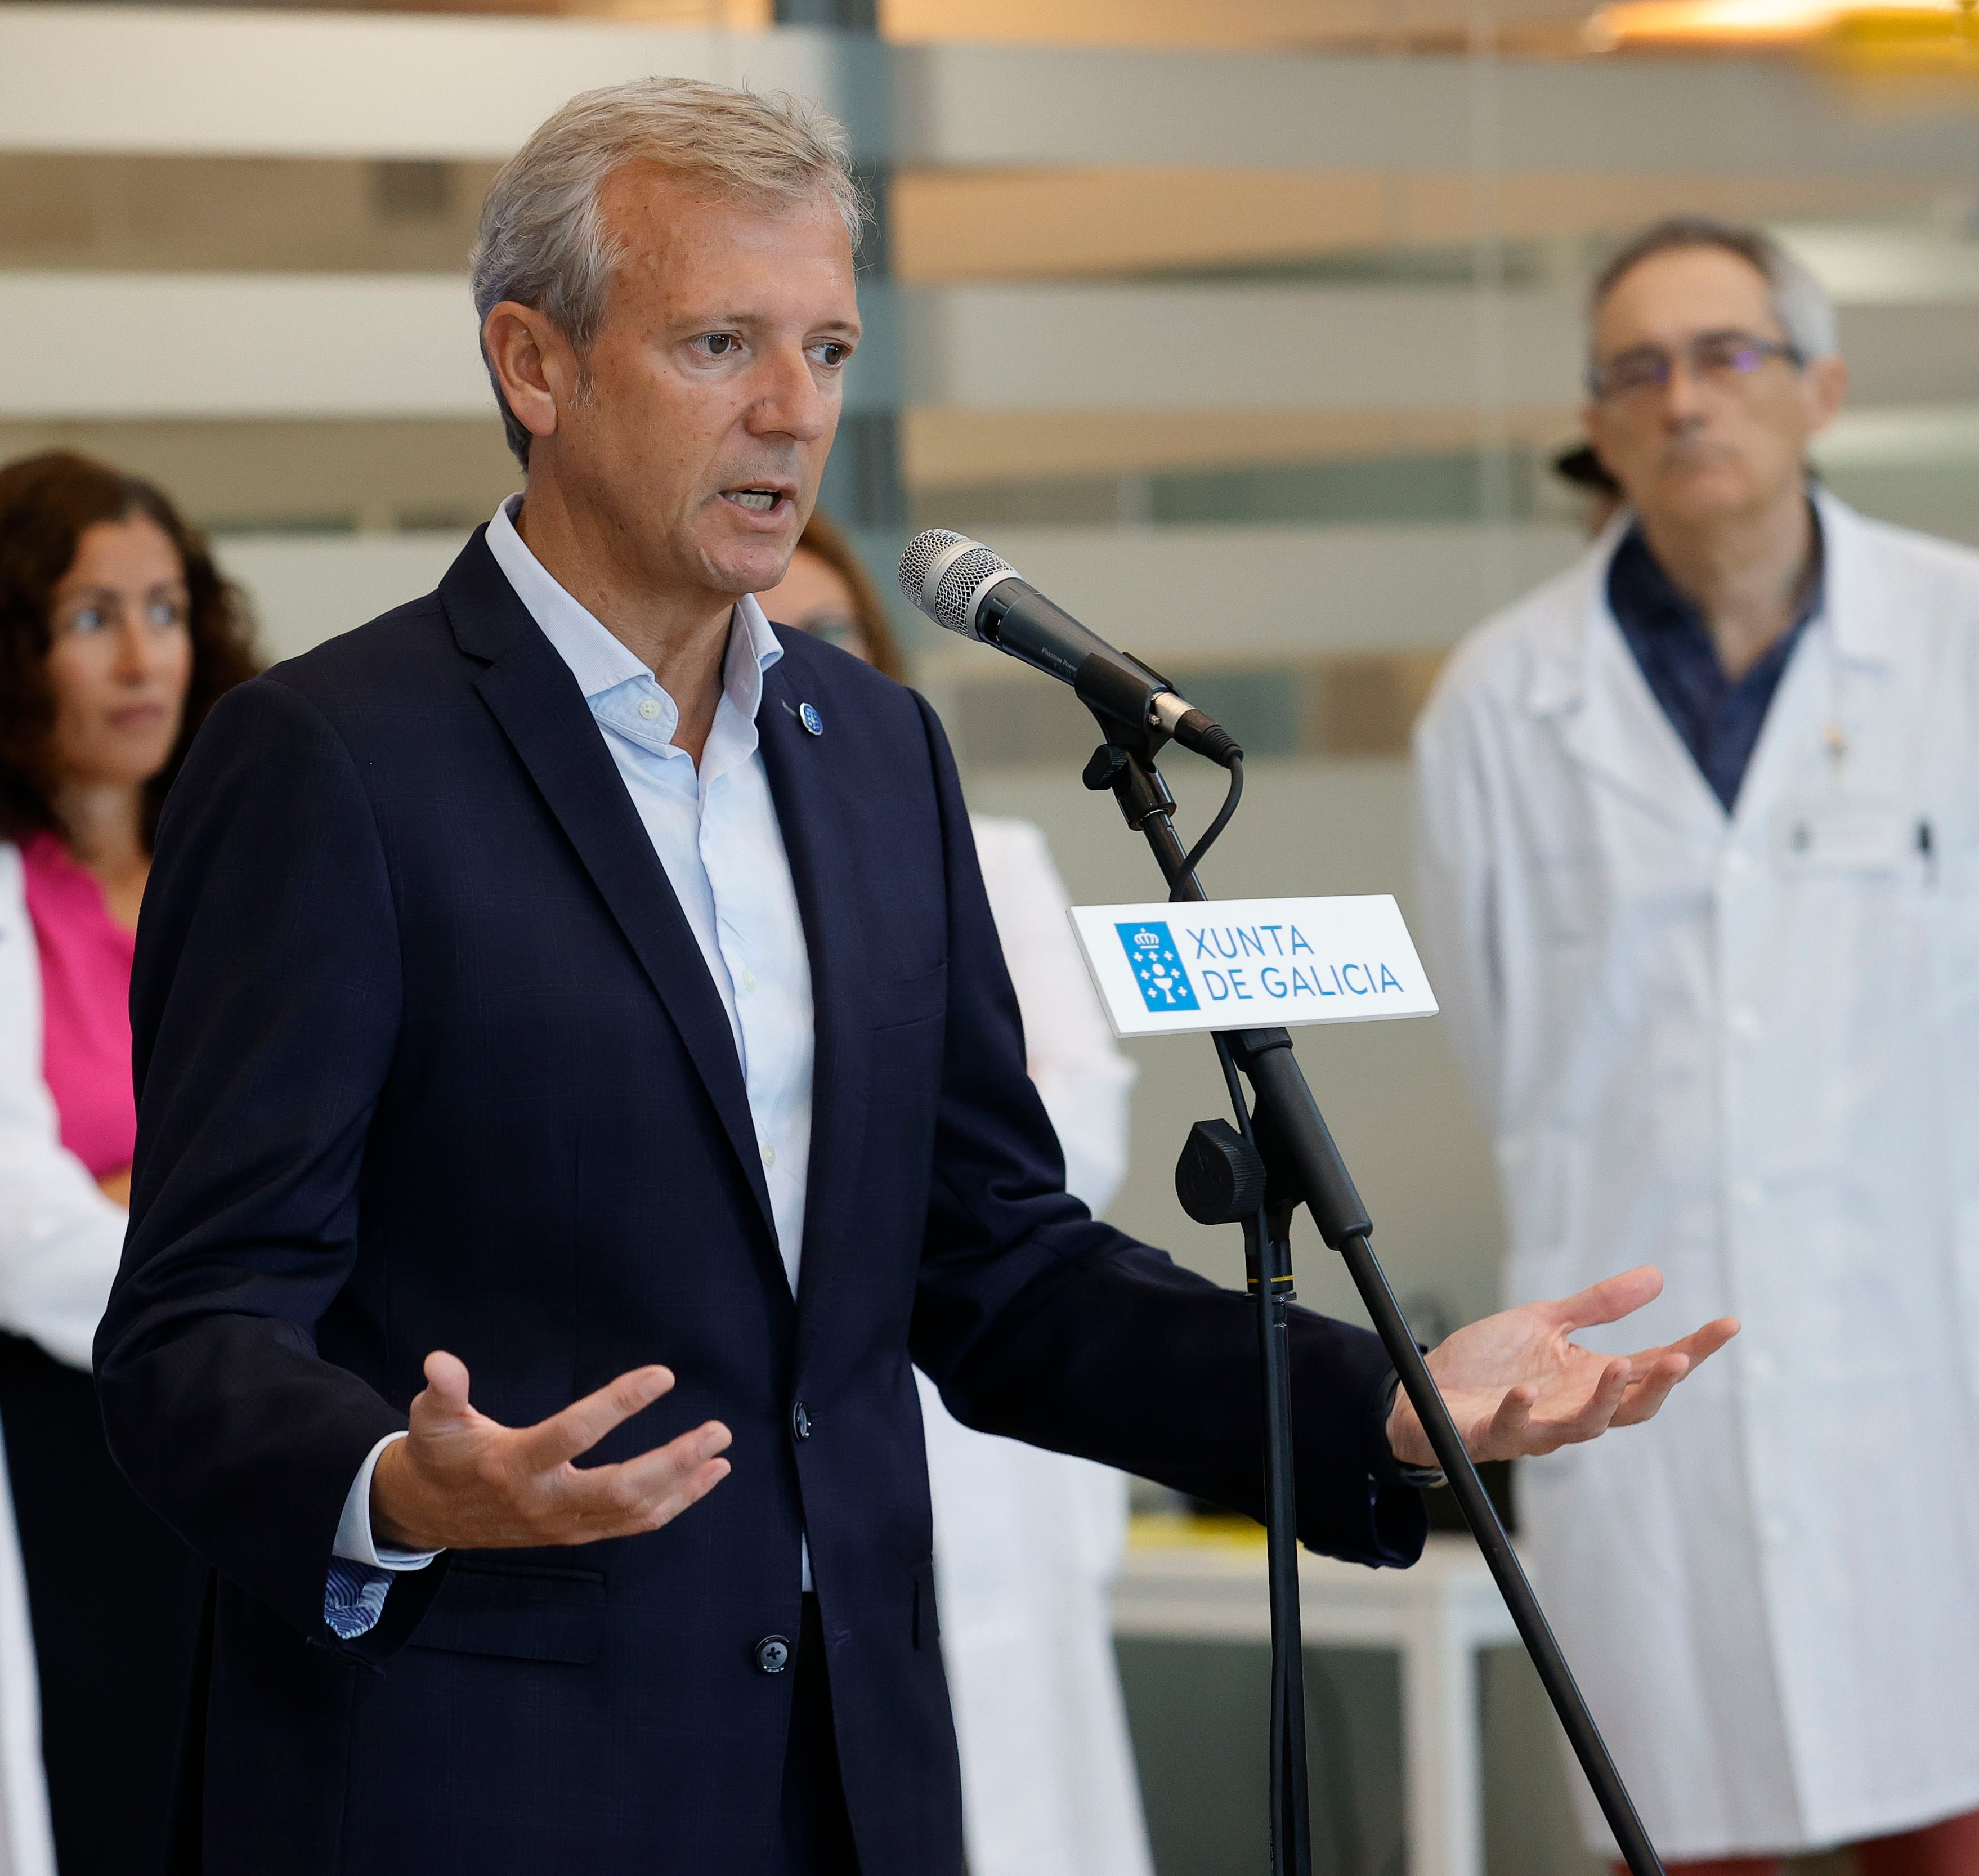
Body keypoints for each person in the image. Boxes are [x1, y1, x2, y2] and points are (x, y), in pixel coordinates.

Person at [98, 79, 1734, 1876]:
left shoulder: (873, 749)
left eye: (827, 346)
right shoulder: (330, 759)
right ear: (532, 364)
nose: (792, 412)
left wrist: (1386, 1399)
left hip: (850, 1768)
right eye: (720, 341)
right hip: (482, 1770)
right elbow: (193, 1328)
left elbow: (996, 1262)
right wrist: (400, 1486)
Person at [1413, 216, 1979, 1874]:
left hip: (1925, 1365)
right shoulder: (1504, 704)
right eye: (1637, 369)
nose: (1685, 400)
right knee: (1682, 1818)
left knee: (1961, 1823)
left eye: (1728, 354)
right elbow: (1506, 1043)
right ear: (1600, 417)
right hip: (1659, 1389)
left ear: (1822, 389)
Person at [0, 452, 263, 1876]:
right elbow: (9, 1234)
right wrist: (228, 1234)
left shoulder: (267, 872)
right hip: (58, 1475)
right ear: (1, 654)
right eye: (90, 619)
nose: (143, 656)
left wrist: (138, 1202)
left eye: (163, 608)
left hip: (266, 1450)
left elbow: (362, 1168)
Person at [759, 509, 1153, 1876]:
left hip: (971, 1403)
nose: (798, 661)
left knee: (1015, 1802)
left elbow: (1062, 1131)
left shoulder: (985, 854)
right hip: (765, 1428)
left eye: (832, 637)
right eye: (769, 636)